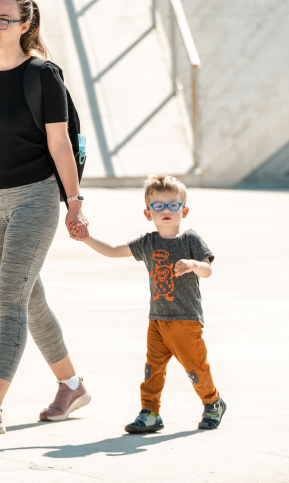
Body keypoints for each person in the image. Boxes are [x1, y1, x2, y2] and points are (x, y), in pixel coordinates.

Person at [0, 0, 90, 436]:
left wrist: (75, 203)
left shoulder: (43, 75)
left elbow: (60, 144)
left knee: (10, 300)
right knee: (30, 298)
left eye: (4, 19)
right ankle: (72, 385)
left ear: (25, 25)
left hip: (36, 197)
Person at [74, 174, 226, 433]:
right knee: (152, 370)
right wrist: (85, 237)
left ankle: (212, 402)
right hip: (157, 320)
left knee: (196, 369)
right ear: (148, 214)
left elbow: (208, 270)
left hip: (185, 320)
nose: (166, 210)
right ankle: (150, 411)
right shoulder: (148, 243)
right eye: (158, 206)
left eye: (173, 205)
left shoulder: (190, 239)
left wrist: (193, 265)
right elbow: (112, 250)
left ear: (184, 210)